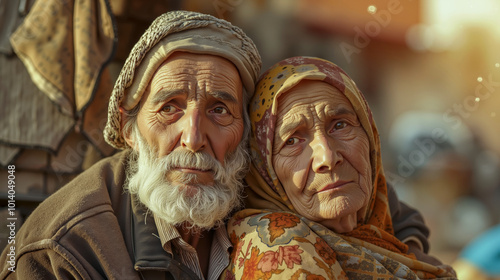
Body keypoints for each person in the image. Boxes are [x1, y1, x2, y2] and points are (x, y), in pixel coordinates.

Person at [0, 11, 261, 280]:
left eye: (219, 110)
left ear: (245, 132)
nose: (193, 140)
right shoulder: (64, 250)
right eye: (169, 108)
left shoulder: (271, 209)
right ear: (129, 129)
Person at [222, 57, 457, 279]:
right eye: (292, 140)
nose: (327, 157)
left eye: (340, 125)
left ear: (370, 136)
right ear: (264, 173)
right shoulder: (281, 250)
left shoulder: (387, 224)